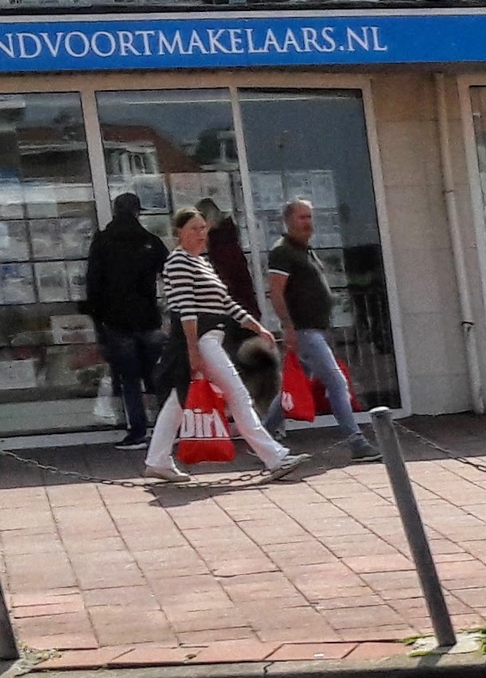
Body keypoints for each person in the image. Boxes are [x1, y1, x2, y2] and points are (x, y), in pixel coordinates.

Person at [142, 207, 305, 484]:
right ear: (179, 232)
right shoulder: (178, 262)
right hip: (201, 339)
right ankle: (275, 457)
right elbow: (185, 310)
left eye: (204, 228)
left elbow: (225, 302)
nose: (201, 234)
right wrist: (193, 349)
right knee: (239, 396)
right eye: (194, 228)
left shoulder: (201, 262)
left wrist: (256, 326)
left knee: (178, 401)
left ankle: (157, 460)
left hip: (209, 337)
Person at [268, 197, 377, 459]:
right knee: (337, 382)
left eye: (309, 217)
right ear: (288, 221)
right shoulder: (282, 251)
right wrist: (288, 326)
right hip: (304, 330)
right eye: (301, 217)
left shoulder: (305, 250)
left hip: (316, 329)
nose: (307, 223)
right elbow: (276, 291)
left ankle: (262, 434)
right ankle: (357, 443)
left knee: (293, 388)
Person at [81, 193, 168, 449]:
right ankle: (166, 428)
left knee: (129, 380)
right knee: (158, 376)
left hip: (117, 321)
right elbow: (170, 273)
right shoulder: (150, 241)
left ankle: (138, 431)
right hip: (148, 318)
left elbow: (93, 284)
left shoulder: (103, 242)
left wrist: (98, 321)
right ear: (137, 212)